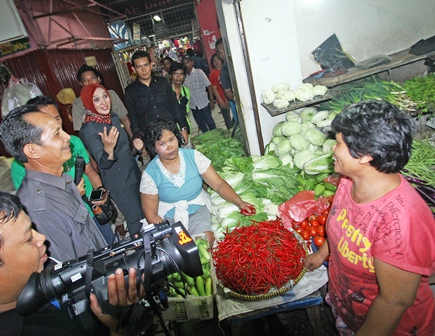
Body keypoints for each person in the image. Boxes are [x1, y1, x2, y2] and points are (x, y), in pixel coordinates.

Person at [305, 101, 435, 335]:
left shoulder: (402, 222)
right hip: (350, 309)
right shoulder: (349, 181)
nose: (333, 150)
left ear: (365, 155)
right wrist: (322, 253)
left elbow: (394, 302)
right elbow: (342, 224)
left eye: (339, 143)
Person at [0, 191, 150, 336]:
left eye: (33, 229)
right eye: (28, 239)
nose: (41, 238)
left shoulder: (48, 269)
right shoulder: (32, 329)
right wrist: (117, 332)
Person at [0, 105, 107, 262]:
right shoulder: (41, 209)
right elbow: (71, 273)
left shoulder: (62, 179)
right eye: (57, 134)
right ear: (32, 151)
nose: (67, 137)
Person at [136, 119, 255, 245]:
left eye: (171, 139)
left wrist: (239, 202)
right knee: (181, 248)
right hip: (168, 216)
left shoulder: (193, 157)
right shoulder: (150, 173)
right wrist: (169, 236)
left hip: (197, 208)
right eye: (162, 144)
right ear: (153, 147)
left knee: (204, 241)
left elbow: (218, 184)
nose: (169, 146)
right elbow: (151, 213)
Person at [79, 83, 144, 237]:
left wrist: (136, 147)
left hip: (133, 171)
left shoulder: (113, 117)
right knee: (136, 219)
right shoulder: (88, 129)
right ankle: (143, 250)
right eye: (96, 99)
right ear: (88, 103)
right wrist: (108, 148)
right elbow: (103, 163)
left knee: (145, 208)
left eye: (105, 96)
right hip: (119, 182)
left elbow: (124, 147)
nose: (103, 102)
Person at [124, 50, 189, 144]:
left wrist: (183, 128)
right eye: (139, 67)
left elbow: (175, 106)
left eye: (146, 65)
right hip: (151, 140)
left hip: (171, 133)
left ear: (151, 65)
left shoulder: (163, 83)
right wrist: (139, 140)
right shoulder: (131, 91)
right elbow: (133, 119)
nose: (144, 70)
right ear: (134, 69)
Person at [72, 65, 132, 138]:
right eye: (85, 80)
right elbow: (81, 131)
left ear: (98, 79)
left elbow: (124, 119)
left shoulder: (111, 94)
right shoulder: (78, 103)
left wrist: (132, 137)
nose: (90, 82)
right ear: (81, 84)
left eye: (92, 78)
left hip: (121, 138)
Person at [182, 55, 216, 134]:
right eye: (184, 63)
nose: (187, 65)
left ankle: (217, 138)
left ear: (192, 63)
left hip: (203, 103)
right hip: (193, 105)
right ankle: (208, 140)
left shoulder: (199, 72)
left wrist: (211, 100)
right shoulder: (184, 77)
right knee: (201, 124)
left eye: (188, 62)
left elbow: (209, 85)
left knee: (210, 122)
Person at [169, 62, 192, 145]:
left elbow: (186, 111)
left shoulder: (186, 91)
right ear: (170, 75)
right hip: (170, 131)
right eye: (175, 74)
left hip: (185, 129)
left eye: (181, 74)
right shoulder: (165, 91)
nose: (178, 77)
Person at [209, 53, 234, 129]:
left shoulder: (227, 69)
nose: (216, 62)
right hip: (221, 99)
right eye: (214, 61)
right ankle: (231, 133)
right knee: (227, 119)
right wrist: (220, 100)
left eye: (218, 59)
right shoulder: (213, 74)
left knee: (236, 116)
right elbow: (214, 89)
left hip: (231, 97)